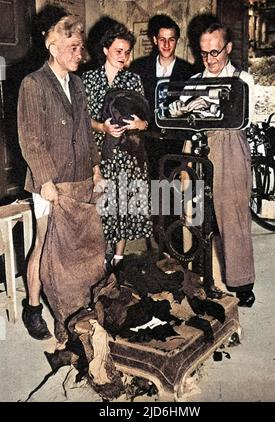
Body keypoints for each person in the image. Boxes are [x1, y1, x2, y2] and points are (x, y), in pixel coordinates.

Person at [18, 15, 103, 340]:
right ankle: (34, 306)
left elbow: (84, 131)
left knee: (75, 250)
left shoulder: (77, 85)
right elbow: (31, 139)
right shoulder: (34, 84)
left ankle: (76, 308)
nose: (78, 53)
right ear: (52, 47)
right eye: (71, 47)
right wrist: (45, 181)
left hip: (78, 179)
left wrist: (95, 168)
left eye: (80, 47)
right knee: (45, 245)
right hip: (49, 184)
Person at [170, 21, 256, 307]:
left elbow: (244, 115)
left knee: (233, 215)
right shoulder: (193, 82)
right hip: (197, 147)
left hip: (230, 147)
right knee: (194, 213)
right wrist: (184, 108)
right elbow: (175, 113)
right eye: (204, 53)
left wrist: (204, 106)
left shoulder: (243, 80)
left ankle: (242, 283)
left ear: (228, 49)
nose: (209, 59)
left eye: (215, 52)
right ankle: (202, 278)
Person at [82, 23, 152, 270]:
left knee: (123, 205)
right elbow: (82, 119)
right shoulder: (88, 79)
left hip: (129, 154)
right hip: (100, 153)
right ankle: (100, 257)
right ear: (105, 50)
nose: (123, 57)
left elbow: (146, 122)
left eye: (127, 52)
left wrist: (138, 124)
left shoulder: (133, 79)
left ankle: (119, 258)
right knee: (103, 205)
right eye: (118, 51)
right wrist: (103, 127)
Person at [130, 14, 196, 180]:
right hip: (146, 139)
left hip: (176, 142)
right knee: (149, 190)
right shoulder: (139, 68)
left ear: (177, 41)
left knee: (171, 194)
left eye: (171, 39)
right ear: (154, 40)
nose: (166, 45)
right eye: (162, 39)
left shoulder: (189, 72)